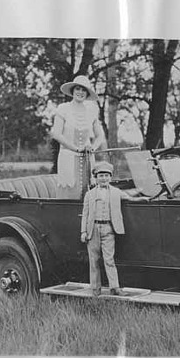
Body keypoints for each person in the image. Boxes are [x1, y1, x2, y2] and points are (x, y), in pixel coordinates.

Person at [50, 75, 106, 199]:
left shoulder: (91, 110)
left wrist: (93, 147)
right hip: (68, 158)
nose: (80, 92)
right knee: (69, 189)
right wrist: (75, 148)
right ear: (73, 91)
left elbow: (100, 135)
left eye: (84, 90)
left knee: (88, 191)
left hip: (87, 159)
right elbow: (57, 134)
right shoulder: (63, 109)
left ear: (87, 93)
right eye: (78, 89)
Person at [80, 161, 130, 297]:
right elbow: (85, 213)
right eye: (101, 176)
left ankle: (115, 287)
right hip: (93, 229)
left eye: (107, 176)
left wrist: (143, 198)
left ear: (111, 177)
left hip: (109, 229)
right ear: (96, 178)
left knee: (109, 259)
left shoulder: (116, 192)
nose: (104, 178)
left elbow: (129, 198)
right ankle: (95, 289)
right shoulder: (89, 194)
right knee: (94, 260)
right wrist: (83, 231)